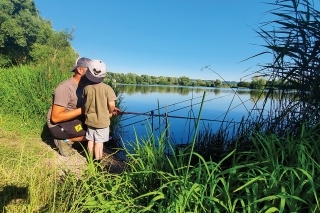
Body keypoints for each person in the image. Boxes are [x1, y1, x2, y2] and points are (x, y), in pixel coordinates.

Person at [47, 57, 94, 156]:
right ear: (80, 70)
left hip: (73, 120)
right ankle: (65, 140)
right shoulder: (65, 88)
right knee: (95, 133)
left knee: (100, 127)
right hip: (58, 126)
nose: (92, 73)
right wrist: (84, 110)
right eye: (89, 70)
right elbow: (55, 118)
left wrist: (108, 110)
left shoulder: (85, 86)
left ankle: (77, 139)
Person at [82, 59, 117, 163]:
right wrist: (110, 113)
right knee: (99, 142)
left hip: (90, 120)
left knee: (90, 140)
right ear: (104, 75)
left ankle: (89, 158)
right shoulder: (107, 88)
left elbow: (86, 101)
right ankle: (97, 161)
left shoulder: (86, 88)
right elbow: (111, 105)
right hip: (102, 122)